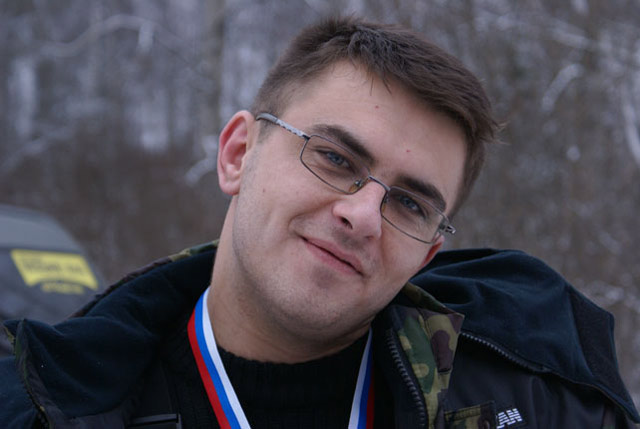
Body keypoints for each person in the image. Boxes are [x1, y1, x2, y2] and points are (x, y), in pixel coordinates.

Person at [1, 16, 638, 429]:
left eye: (410, 204)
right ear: (238, 155)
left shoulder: (533, 398)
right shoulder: (57, 406)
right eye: (334, 158)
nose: (362, 216)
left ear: (426, 254)